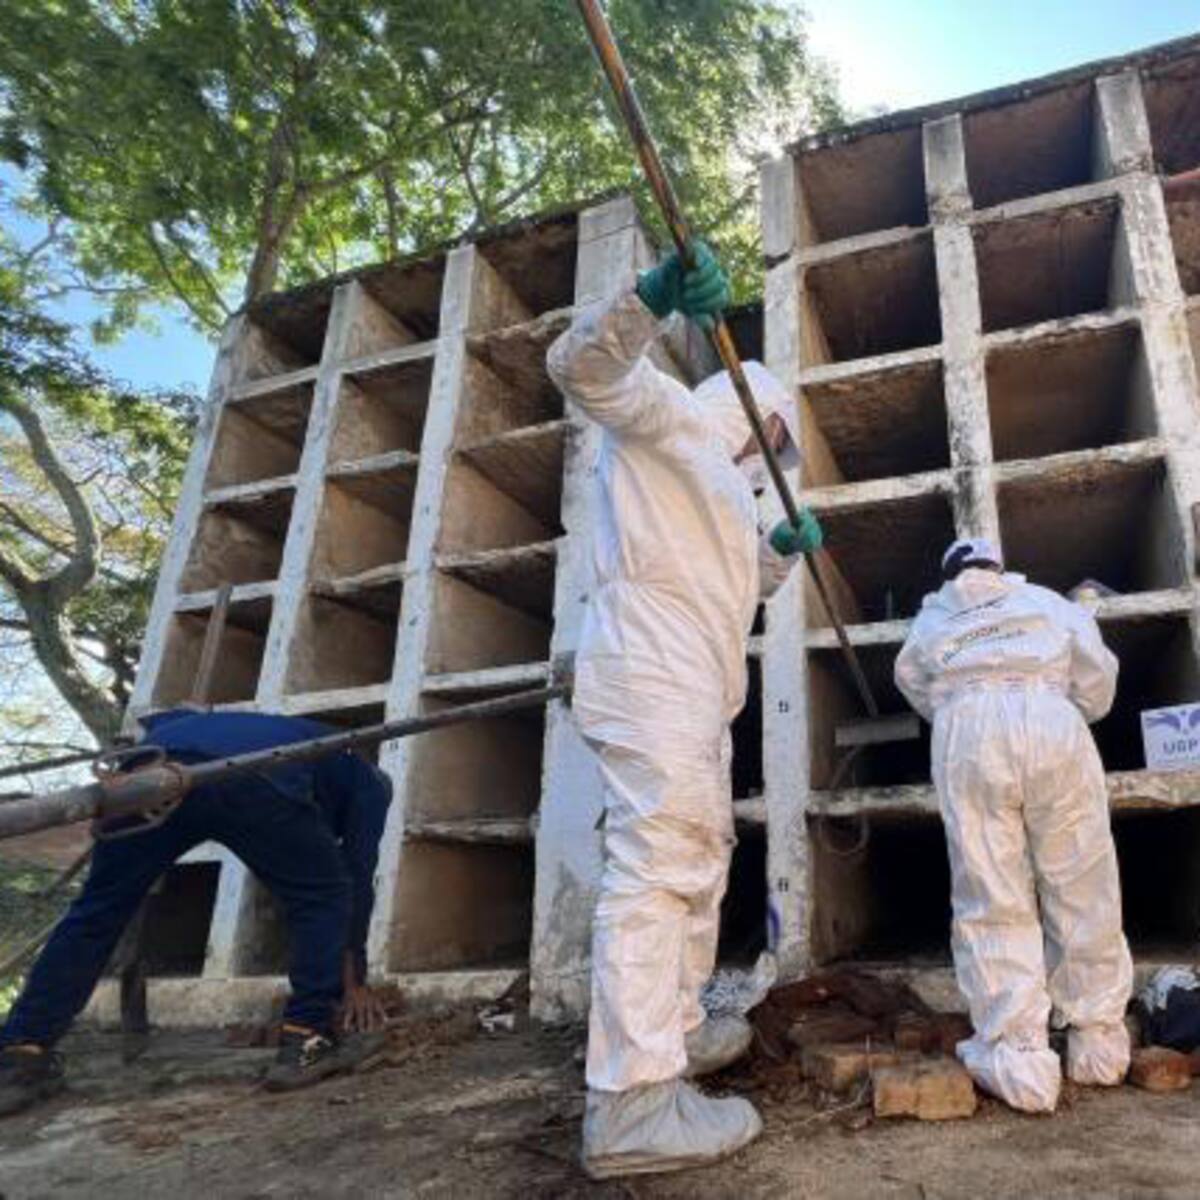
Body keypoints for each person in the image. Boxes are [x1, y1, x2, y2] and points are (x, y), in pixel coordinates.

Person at [547, 242, 822, 1178]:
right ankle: (630, 1106)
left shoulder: (730, 496)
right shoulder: (666, 417)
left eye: (775, 452)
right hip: (651, 668)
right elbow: (580, 365)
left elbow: (739, 589)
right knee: (661, 866)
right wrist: (648, 302)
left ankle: (670, 1032)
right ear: (747, 409)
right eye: (769, 435)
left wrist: (778, 551)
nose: (767, 455)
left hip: (697, 690)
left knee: (701, 862)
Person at [0, 709, 393, 1115]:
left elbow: (159, 721)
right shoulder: (367, 781)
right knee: (324, 894)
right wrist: (354, 980)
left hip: (146, 768)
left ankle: (21, 1054)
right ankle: (308, 1037)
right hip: (254, 774)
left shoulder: (242, 724)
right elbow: (356, 876)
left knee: (97, 910)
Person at [894, 537, 1132, 1113]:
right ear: (999, 568)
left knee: (990, 886)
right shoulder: (1050, 602)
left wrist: (967, 707)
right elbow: (1097, 682)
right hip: (1051, 716)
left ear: (949, 573)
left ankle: (1019, 1059)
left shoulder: (931, 618)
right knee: (1081, 879)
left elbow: (917, 687)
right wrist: (1052, 702)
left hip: (969, 728)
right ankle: (1098, 1043)